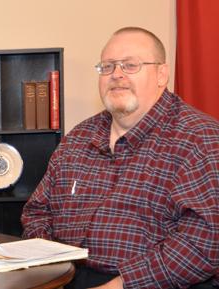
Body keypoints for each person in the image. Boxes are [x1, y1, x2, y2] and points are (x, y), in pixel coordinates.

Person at [21, 27, 219, 289]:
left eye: (130, 65)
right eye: (107, 66)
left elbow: (204, 242)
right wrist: (49, 267)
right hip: (65, 277)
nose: (116, 75)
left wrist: (119, 285)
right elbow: (37, 212)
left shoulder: (200, 138)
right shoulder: (80, 137)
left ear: (162, 74)